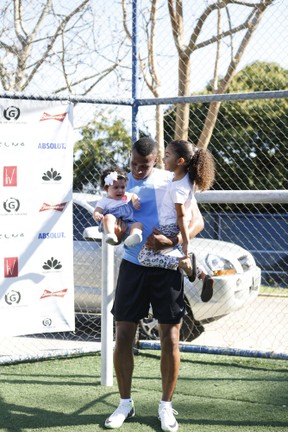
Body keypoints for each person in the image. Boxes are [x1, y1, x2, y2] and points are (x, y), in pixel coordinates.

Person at [104, 138, 204, 432]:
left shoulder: (169, 181)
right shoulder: (120, 185)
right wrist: (116, 229)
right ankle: (125, 403)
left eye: (144, 165)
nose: (137, 169)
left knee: (170, 339)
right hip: (133, 266)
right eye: (133, 163)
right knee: (123, 335)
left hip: (166, 268)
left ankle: (166, 407)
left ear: (157, 160)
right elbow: (115, 223)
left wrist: (171, 241)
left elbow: (196, 222)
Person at [138, 139, 215, 302]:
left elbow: (181, 217)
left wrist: (185, 241)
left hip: (170, 227)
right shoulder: (187, 180)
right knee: (178, 252)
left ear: (180, 161)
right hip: (173, 227)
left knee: (144, 257)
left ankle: (182, 264)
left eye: (167, 155)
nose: (163, 159)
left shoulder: (177, 188)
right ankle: (203, 274)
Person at [93, 166, 143, 247]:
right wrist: (97, 214)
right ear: (106, 189)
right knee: (109, 217)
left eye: (122, 187)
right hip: (111, 225)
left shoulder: (125, 196)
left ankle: (133, 237)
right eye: (116, 187)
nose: (120, 190)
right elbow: (97, 210)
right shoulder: (104, 201)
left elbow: (133, 195)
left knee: (138, 224)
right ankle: (110, 235)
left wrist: (135, 201)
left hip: (127, 224)